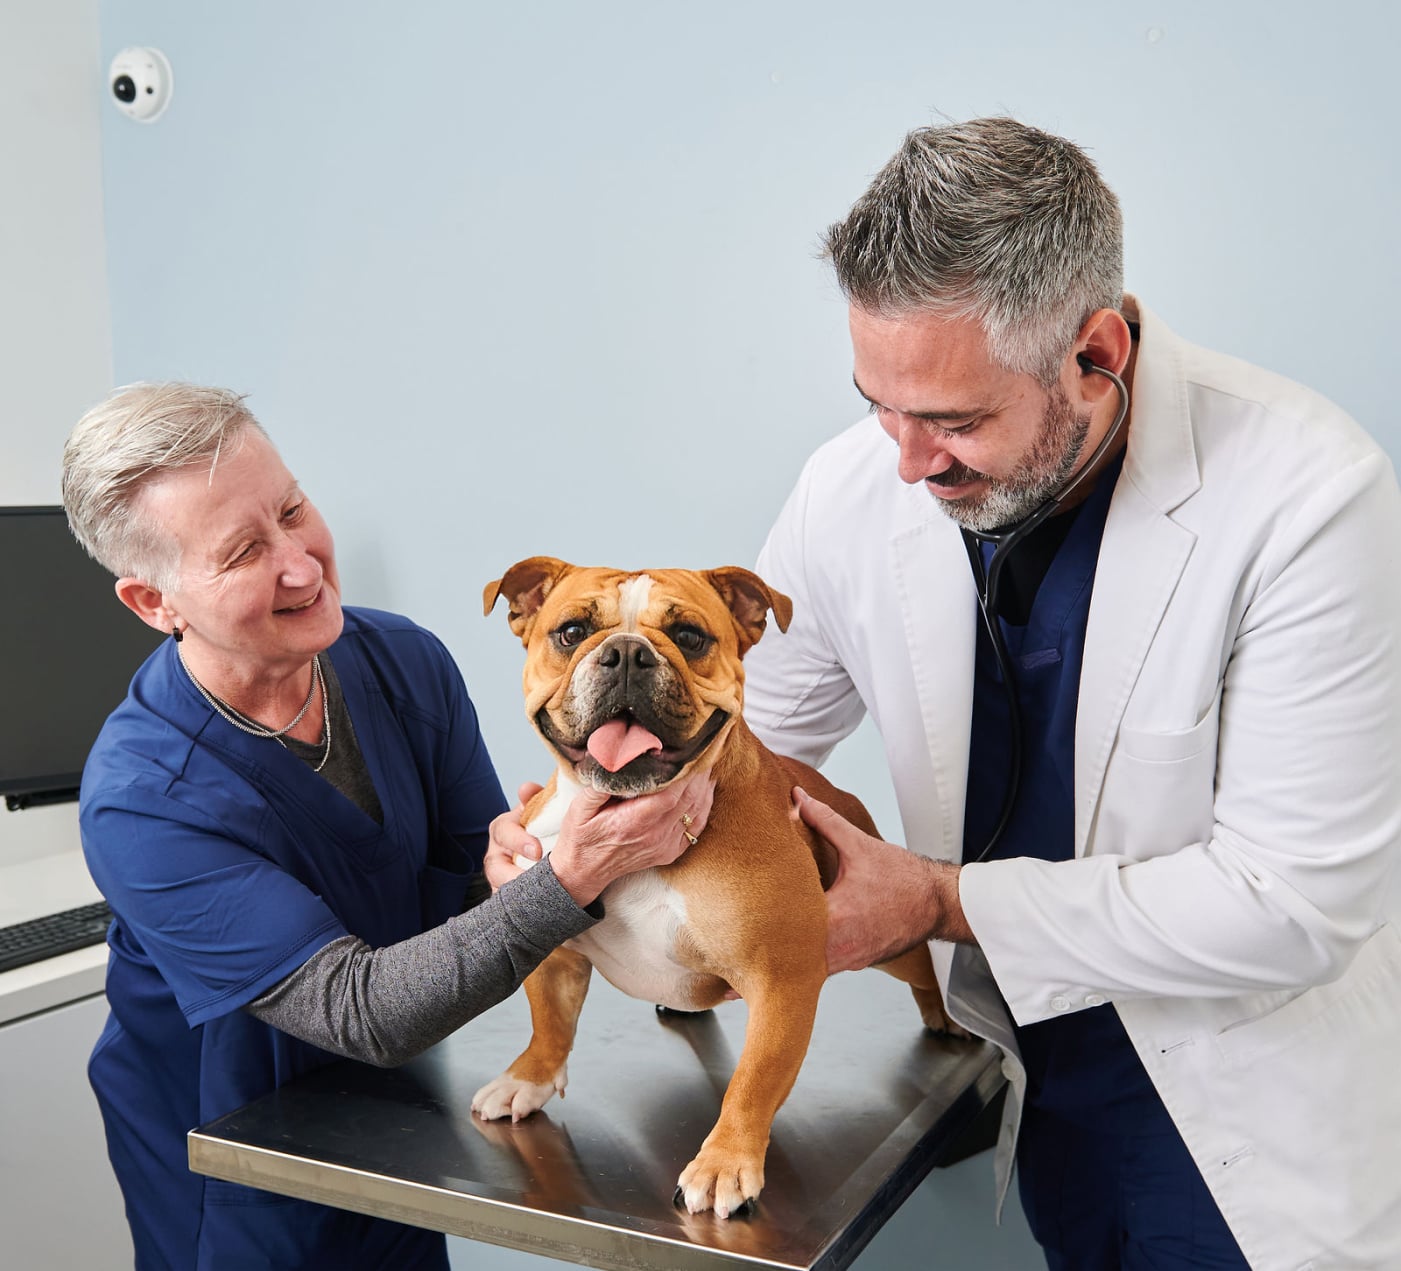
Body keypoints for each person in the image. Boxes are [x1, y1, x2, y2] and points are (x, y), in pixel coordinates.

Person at [493, 117, 1401, 1268]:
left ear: (1097, 354)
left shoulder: (1307, 498)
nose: (909, 460)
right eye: (880, 400)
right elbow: (743, 742)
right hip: (1029, 1065)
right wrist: (569, 826)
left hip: (1252, 1098)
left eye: (958, 421)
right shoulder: (855, 481)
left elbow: (1294, 901)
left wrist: (935, 901)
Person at [62, 382, 710, 1271]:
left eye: (293, 510)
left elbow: (478, 885)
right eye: (245, 550)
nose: (302, 563)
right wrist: (569, 878)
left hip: (396, 1131)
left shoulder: (401, 662)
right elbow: (359, 1009)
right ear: (152, 601)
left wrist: (519, 860)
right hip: (239, 1159)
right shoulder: (143, 797)